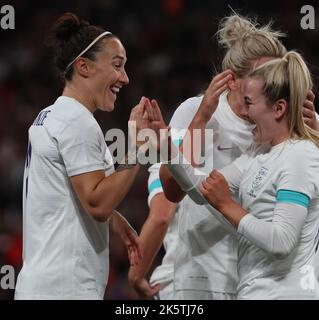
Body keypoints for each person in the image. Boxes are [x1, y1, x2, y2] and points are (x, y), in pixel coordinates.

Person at [157, 14, 318, 300]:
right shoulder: (209, 118)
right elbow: (186, 190)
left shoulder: (304, 137)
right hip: (213, 274)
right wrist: (168, 144)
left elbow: (281, 238)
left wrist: (315, 138)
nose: (269, 81)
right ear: (233, 81)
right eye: (260, 77)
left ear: (279, 107)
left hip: (283, 283)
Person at [14, 12, 146, 300]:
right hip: (66, 288)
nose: (125, 78)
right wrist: (140, 147)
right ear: (84, 67)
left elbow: (65, 193)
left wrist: (114, 219)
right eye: (117, 65)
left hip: (39, 284)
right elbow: (97, 203)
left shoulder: (47, 115)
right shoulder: (77, 120)